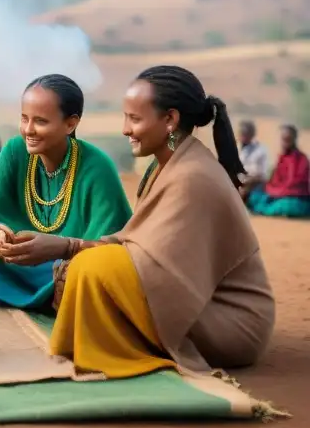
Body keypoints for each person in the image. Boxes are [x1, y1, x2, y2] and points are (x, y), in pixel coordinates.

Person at [49, 66, 275, 378]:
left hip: (228, 323)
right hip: (198, 303)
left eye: (135, 119)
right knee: (86, 265)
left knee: (92, 268)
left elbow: (155, 267)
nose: (125, 129)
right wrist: (68, 251)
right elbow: (140, 246)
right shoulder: (169, 161)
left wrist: (69, 247)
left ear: (170, 119)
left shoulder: (193, 177)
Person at [0, 75, 132, 310]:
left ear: (70, 124)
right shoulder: (14, 151)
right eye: (24, 118)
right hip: (17, 265)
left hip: (67, 271)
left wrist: (62, 248)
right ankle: (46, 300)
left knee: (89, 275)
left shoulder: (97, 166)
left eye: (40, 121)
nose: (28, 130)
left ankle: (15, 294)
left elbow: (111, 249)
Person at [246, 125, 310, 218]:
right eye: (283, 139)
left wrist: (276, 192)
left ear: (294, 139)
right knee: (255, 196)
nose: (285, 142)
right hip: (278, 194)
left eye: (288, 139)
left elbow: (295, 185)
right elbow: (275, 180)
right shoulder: (281, 158)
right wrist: (270, 188)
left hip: (295, 197)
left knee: (287, 206)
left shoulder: (302, 159)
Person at [237, 120, 270, 200]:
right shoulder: (235, 148)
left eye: (246, 133)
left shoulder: (261, 150)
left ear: (252, 134)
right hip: (237, 181)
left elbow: (262, 176)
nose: (243, 135)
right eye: (242, 133)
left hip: (254, 184)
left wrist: (247, 181)